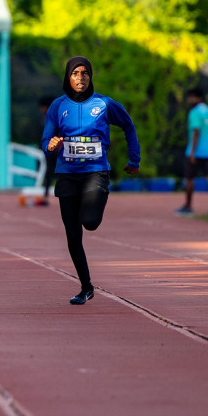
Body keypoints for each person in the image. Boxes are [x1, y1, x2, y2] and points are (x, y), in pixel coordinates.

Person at [41, 57, 141, 305]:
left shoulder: (104, 104)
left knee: (91, 222)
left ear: (90, 76)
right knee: (73, 236)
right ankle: (86, 287)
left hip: (95, 172)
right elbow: (46, 141)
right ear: (68, 77)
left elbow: (128, 126)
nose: (81, 78)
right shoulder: (57, 106)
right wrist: (51, 145)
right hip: (67, 176)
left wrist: (134, 159)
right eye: (75, 73)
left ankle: (98, 198)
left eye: (85, 73)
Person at [177, 87, 208, 217]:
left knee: (189, 179)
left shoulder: (194, 112)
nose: (190, 99)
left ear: (199, 98)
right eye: (189, 97)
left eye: (193, 97)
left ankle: (188, 206)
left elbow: (196, 132)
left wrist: (192, 152)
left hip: (195, 152)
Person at [36, 94, 58, 207]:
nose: (41, 109)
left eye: (42, 107)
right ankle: (45, 196)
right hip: (49, 149)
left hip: (59, 149)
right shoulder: (45, 117)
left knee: (64, 172)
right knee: (48, 172)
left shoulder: (56, 116)